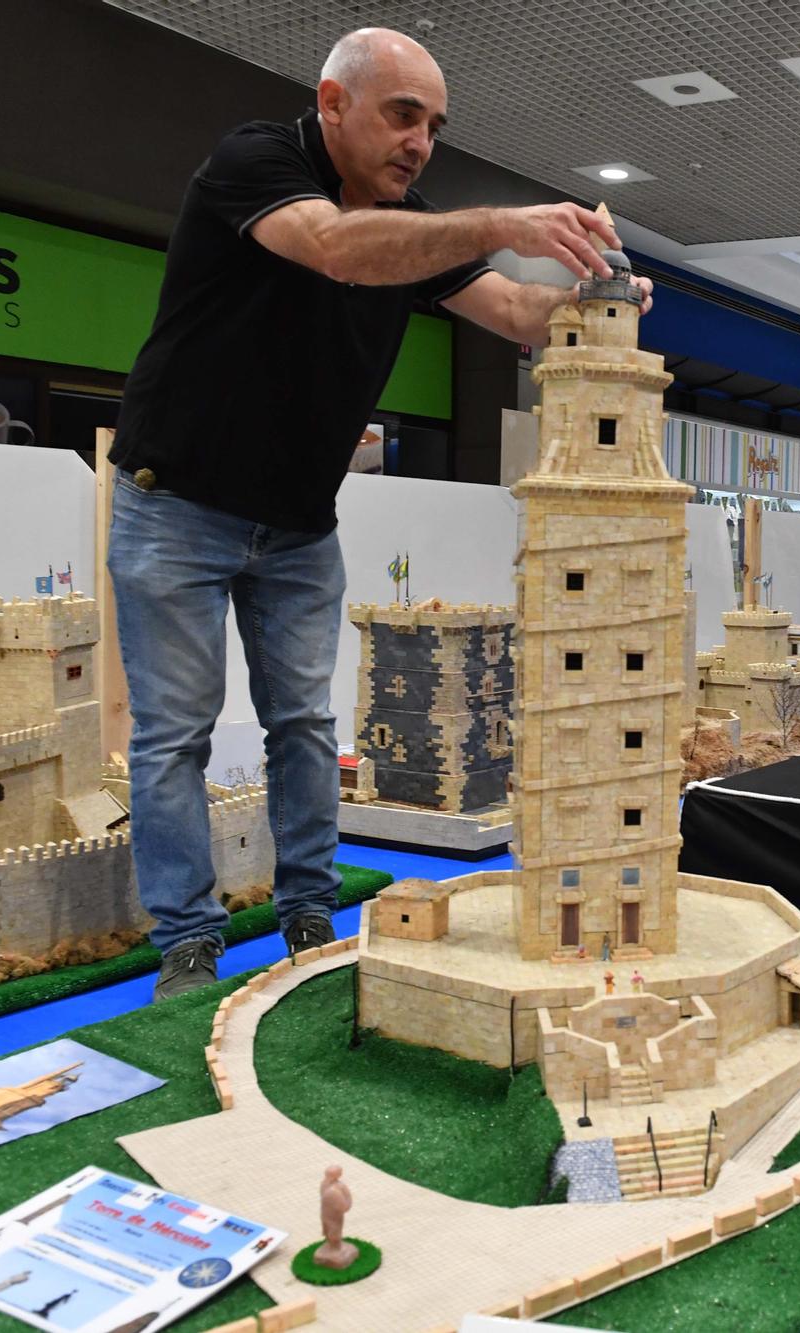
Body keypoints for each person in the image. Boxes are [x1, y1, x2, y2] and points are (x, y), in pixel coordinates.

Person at [110, 28, 650, 1000]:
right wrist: (503, 223)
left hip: (298, 521)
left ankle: (310, 913)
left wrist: (594, 298)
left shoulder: (413, 223)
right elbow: (335, 251)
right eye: (403, 115)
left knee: (306, 727)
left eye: (434, 125)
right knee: (172, 734)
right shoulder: (258, 166)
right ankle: (188, 940)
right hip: (174, 504)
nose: (420, 142)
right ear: (331, 104)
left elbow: (516, 318)